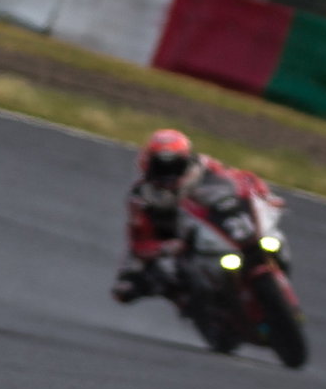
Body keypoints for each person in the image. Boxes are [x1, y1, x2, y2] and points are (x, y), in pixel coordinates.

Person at [113, 129, 283, 305]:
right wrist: (166, 248)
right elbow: (138, 241)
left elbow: (243, 180)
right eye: (161, 166)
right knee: (155, 276)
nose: (168, 172)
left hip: (219, 225)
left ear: (186, 160)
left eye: (174, 165)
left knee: (270, 237)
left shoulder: (205, 167)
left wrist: (265, 197)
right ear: (149, 164)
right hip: (183, 245)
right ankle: (202, 307)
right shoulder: (143, 196)